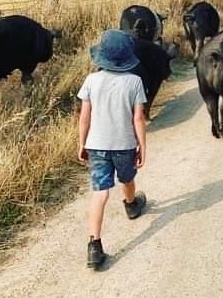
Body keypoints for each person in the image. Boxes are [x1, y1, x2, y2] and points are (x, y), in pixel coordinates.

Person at [77, 29, 148, 269]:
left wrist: (82, 143)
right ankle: (131, 205)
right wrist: (142, 146)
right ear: (128, 57)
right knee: (127, 178)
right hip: (124, 145)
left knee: (100, 192)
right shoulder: (135, 82)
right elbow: (138, 119)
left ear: (101, 56)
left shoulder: (91, 80)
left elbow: (84, 117)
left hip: (96, 145)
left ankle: (94, 246)